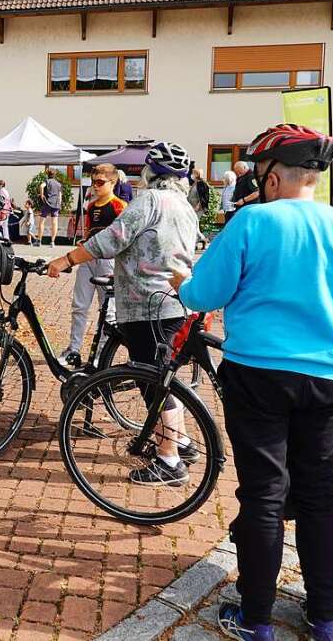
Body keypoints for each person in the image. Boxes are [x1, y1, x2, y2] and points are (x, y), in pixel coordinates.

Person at [170, 125, 333, 641]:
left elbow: (205, 294)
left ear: (271, 178)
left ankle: (256, 619)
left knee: (265, 495)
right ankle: (324, 618)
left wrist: (184, 283)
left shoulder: (251, 222)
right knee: (318, 494)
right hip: (327, 380)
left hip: (258, 376)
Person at [48, 141, 199, 485]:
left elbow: (111, 239)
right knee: (162, 378)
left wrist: (66, 259)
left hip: (146, 304)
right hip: (176, 302)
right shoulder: (185, 206)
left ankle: (169, 460)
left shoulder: (148, 201)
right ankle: (182, 441)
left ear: (149, 173)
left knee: (153, 385)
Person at [60, 163, 126, 367]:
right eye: (93, 182)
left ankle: (101, 355)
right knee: (79, 305)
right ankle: (73, 349)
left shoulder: (119, 206)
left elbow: (122, 237)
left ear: (112, 182)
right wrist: (84, 242)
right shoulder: (90, 206)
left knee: (107, 309)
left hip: (107, 261)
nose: (95, 186)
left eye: (100, 182)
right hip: (88, 258)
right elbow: (90, 230)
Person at [36, 168, 61, 247]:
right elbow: (60, 195)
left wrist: (42, 194)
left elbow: (41, 186)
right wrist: (59, 203)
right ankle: (52, 242)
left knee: (42, 221)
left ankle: (39, 241)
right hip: (56, 204)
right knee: (54, 223)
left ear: (48, 174)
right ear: (55, 175)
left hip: (47, 203)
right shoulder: (58, 184)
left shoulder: (47, 181)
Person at [188, 167, 211, 248]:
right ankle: (202, 240)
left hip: (198, 209)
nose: (192, 175)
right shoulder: (194, 183)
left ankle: (196, 243)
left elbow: (204, 197)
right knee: (193, 225)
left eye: (193, 173)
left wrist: (198, 206)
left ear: (197, 174)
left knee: (193, 225)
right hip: (191, 208)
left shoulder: (202, 184)